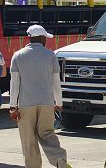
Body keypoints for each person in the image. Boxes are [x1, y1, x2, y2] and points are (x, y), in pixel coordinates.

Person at [9, 24, 71, 168]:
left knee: (29, 141)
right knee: (48, 134)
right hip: (47, 103)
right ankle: (61, 162)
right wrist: (59, 102)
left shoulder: (18, 55)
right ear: (42, 38)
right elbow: (56, 82)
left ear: (30, 38)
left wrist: (13, 107)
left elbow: (15, 84)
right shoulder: (50, 55)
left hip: (26, 105)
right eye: (46, 38)